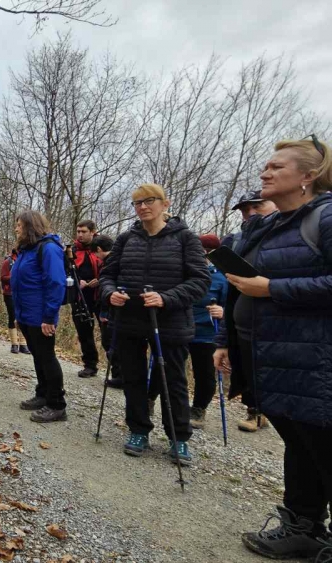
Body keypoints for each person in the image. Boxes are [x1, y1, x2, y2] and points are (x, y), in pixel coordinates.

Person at [225, 137, 332, 562]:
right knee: (300, 445)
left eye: (276, 166)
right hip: (272, 355)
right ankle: (303, 528)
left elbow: (269, 287)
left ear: (308, 176)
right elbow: (242, 285)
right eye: (265, 166)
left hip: (316, 360)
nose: (265, 172)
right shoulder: (273, 224)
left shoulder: (325, 218)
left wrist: (273, 288)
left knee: (323, 447)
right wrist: (228, 343)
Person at [99, 184, 210, 465]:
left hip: (170, 322)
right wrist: (110, 293)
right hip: (130, 320)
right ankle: (138, 430)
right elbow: (106, 275)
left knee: (172, 380)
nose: (143, 207)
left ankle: (179, 438)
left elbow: (200, 281)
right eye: (137, 202)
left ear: (165, 203)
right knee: (133, 378)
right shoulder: (126, 239)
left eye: (149, 201)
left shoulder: (186, 239)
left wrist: (166, 298)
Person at [218, 190, 278, 433]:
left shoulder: (291, 235)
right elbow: (231, 294)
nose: (249, 214)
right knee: (249, 371)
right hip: (246, 322)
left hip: (284, 325)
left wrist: (273, 288)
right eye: (244, 210)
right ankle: (255, 411)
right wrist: (223, 340)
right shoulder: (236, 241)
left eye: (256, 207)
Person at [10, 211, 68, 423]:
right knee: (37, 355)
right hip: (27, 315)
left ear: (30, 226)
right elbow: (20, 285)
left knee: (47, 356)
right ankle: (42, 394)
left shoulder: (49, 248)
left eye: (19, 225)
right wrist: (19, 315)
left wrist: (49, 317)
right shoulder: (26, 250)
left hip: (42, 315)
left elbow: (56, 283)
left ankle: (57, 405)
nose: (16, 229)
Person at [188, 234, 227, 429]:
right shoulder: (186, 272)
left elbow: (233, 306)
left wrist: (223, 311)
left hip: (206, 333)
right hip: (181, 328)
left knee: (204, 374)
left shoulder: (222, 277)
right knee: (168, 367)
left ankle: (198, 409)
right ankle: (151, 399)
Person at [69, 220, 102, 377]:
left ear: (93, 232)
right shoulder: (72, 250)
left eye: (84, 232)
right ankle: (90, 365)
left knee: (108, 333)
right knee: (84, 332)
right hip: (80, 296)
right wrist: (78, 281)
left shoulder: (103, 246)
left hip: (101, 295)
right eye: (78, 231)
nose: (80, 235)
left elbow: (112, 266)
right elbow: (66, 270)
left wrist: (101, 280)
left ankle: (118, 371)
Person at [92, 234, 122, 389]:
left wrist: (104, 313)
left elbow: (108, 289)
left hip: (111, 310)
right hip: (113, 309)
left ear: (98, 249)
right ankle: (119, 375)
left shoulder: (110, 263)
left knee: (109, 343)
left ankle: (119, 376)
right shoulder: (120, 259)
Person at [0, 248, 28, 354]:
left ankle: (23, 344)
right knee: (12, 316)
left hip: (24, 293)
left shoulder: (26, 260)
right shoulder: (8, 262)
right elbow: (3, 278)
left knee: (22, 317)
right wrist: (15, 278)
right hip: (10, 293)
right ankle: (14, 344)